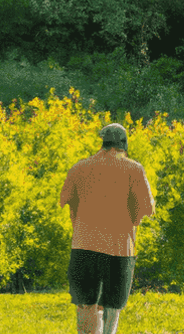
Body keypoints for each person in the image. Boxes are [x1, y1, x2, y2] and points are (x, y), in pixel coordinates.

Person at [60, 123, 156, 334]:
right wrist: (133, 219)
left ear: (103, 142)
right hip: (119, 248)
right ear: (124, 144)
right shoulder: (134, 169)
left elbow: (66, 201)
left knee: (85, 304)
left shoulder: (79, 168)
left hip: (83, 246)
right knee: (112, 304)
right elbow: (147, 208)